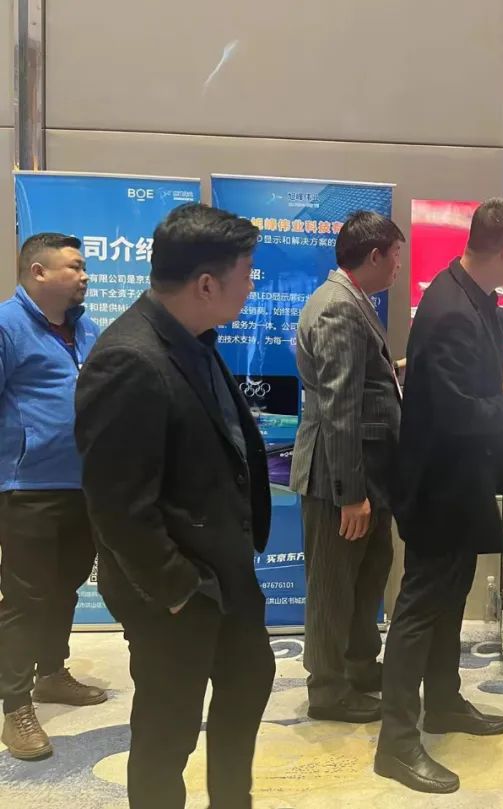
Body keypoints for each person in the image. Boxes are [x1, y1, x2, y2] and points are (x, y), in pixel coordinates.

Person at [74, 204, 274, 809]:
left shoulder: (194, 341)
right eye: (246, 274)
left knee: (247, 686)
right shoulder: (129, 359)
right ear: (206, 284)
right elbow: (116, 505)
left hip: (225, 573)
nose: (251, 285)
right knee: (168, 733)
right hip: (174, 594)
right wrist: (180, 590)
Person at [375, 198, 503, 794]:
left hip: (460, 482)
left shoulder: (467, 291)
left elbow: (493, 321)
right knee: (420, 609)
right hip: (440, 488)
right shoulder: (449, 311)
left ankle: (442, 703)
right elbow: (456, 416)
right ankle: (396, 744)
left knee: (448, 598)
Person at [290, 211, 405, 724]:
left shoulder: (352, 300)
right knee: (334, 584)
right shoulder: (338, 306)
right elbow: (340, 407)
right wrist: (350, 494)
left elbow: (356, 379)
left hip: (366, 472)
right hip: (340, 476)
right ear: (374, 255)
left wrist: (392, 371)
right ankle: (328, 689)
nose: (398, 268)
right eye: (395, 258)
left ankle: (358, 667)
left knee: (367, 576)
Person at [0, 234, 107, 761]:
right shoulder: (6, 325)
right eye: (75, 267)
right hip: (27, 488)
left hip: (82, 485)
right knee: (26, 598)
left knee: (65, 586)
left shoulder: (87, 328)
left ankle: (51, 674)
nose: (84, 276)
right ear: (38, 272)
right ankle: (15, 706)